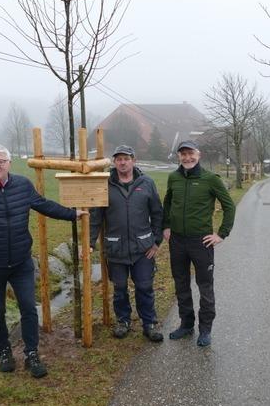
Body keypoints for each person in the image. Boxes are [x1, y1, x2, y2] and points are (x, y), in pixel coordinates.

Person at [0, 143, 87, 378]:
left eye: (0, 160)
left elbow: (43, 204)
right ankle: (4, 351)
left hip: (21, 263)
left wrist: (71, 214)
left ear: (9, 163)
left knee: (29, 310)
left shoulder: (22, 185)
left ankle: (32, 353)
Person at [163, 140, 235, 347]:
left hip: (201, 242)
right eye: (183, 154)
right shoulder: (173, 178)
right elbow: (167, 203)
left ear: (199, 154)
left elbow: (229, 206)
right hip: (176, 241)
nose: (187, 158)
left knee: (205, 287)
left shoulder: (210, 179)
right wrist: (166, 226)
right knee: (181, 284)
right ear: (179, 156)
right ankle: (186, 325)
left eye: (190, 153)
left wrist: (222, 234)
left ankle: (205, 329)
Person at [90, 145, 164, 342]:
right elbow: (95, 216)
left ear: (134, 160)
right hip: (116, 248)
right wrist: (89, 243)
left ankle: (149, 323)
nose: (122, 162)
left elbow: (157, 213)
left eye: (126, 158)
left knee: (145, 286)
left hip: (143, 248)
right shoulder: (105, 184)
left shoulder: (146, 183)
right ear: (114, 162)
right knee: (120, 288)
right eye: (119, 159)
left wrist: (156, 241)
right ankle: (123, 321)